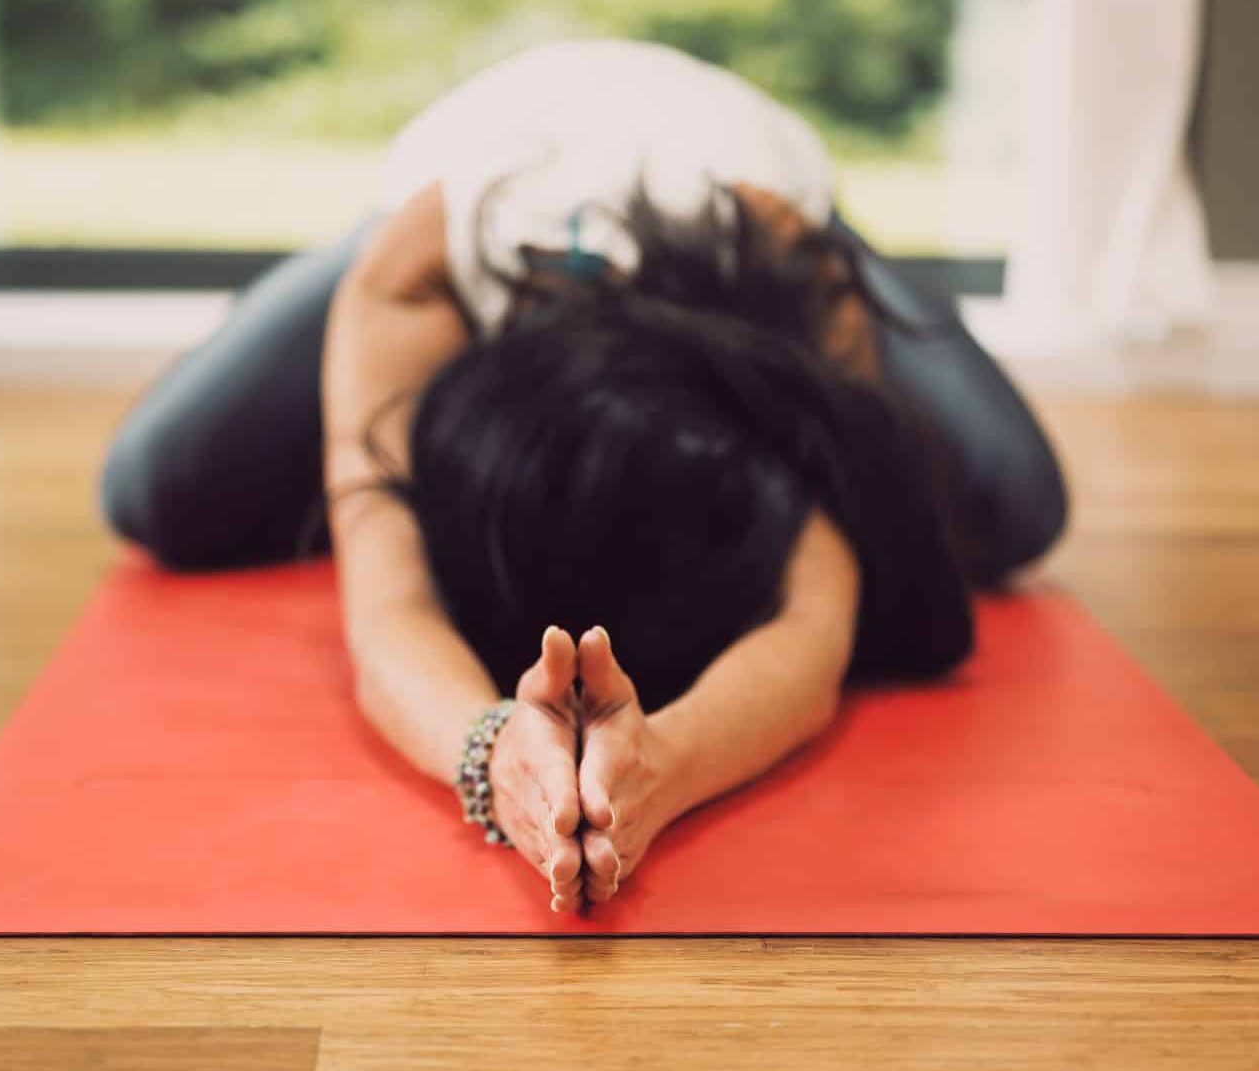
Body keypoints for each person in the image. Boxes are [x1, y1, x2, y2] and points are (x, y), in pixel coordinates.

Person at [99, 39, 1067, 914]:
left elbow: (818, 613)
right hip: (462, 159)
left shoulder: (781, 275)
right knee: (154, 492)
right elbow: (383, 598)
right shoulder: (417, 273)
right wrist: (491, 756)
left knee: (1013, 508)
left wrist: (659, 770)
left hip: (751, 171)